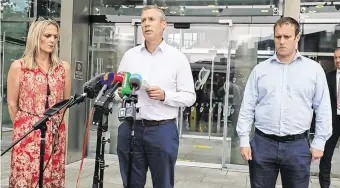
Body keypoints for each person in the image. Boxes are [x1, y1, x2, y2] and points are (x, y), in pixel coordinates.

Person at [236, 17, 332, 188]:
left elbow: (323, 108)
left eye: (287, 37)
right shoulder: (260, 70)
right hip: (263, 144)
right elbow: (247, 106)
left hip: (297, 146)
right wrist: (243, 139)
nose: (281, 41)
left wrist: (319, 142)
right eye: (278, 36)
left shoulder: (313, 70)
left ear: (297, 37)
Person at [116, 5, 196, 188]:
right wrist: (120, 93)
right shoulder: (130, 56)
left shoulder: (177, 58)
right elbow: (117, 89)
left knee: (163, 183)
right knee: (131, 183)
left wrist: (164, 95)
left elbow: (190, 97)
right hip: (131, 127)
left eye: (151, 19)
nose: (146, 24)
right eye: (143, 20)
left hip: (162, 130)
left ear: (163, 24)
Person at [7, 17, 71, 187]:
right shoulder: (19, 67)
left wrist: (58, 128)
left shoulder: (63, 67)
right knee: (26, 179)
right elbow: (12, 103)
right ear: (36, 37)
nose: (52, 40)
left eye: (55, 37)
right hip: (27, 132)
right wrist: (25, 126)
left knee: (51, 178)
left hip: (55, 132)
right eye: (47, 35)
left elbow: (65, 103)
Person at [319, 48, 340, 188]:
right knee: (326, 157)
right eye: (335, 58)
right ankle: (324, 185)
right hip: (332, 122)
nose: (337, 60)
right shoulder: (328, 77)